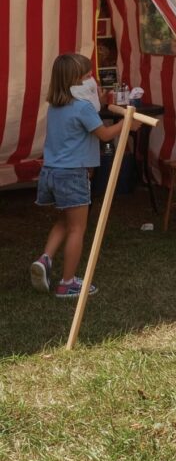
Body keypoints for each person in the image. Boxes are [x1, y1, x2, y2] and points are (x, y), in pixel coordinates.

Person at [30, 53, 130, 298]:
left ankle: (45, 260)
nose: (91, 80)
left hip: (51, 173)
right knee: (78, 229)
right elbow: (105, 135)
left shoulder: (56, 106)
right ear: (76, 81)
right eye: (86, 76)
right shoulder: (82, 107)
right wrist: (127, 121)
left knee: (65, 221)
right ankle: (67, 283)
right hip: (73, 175)